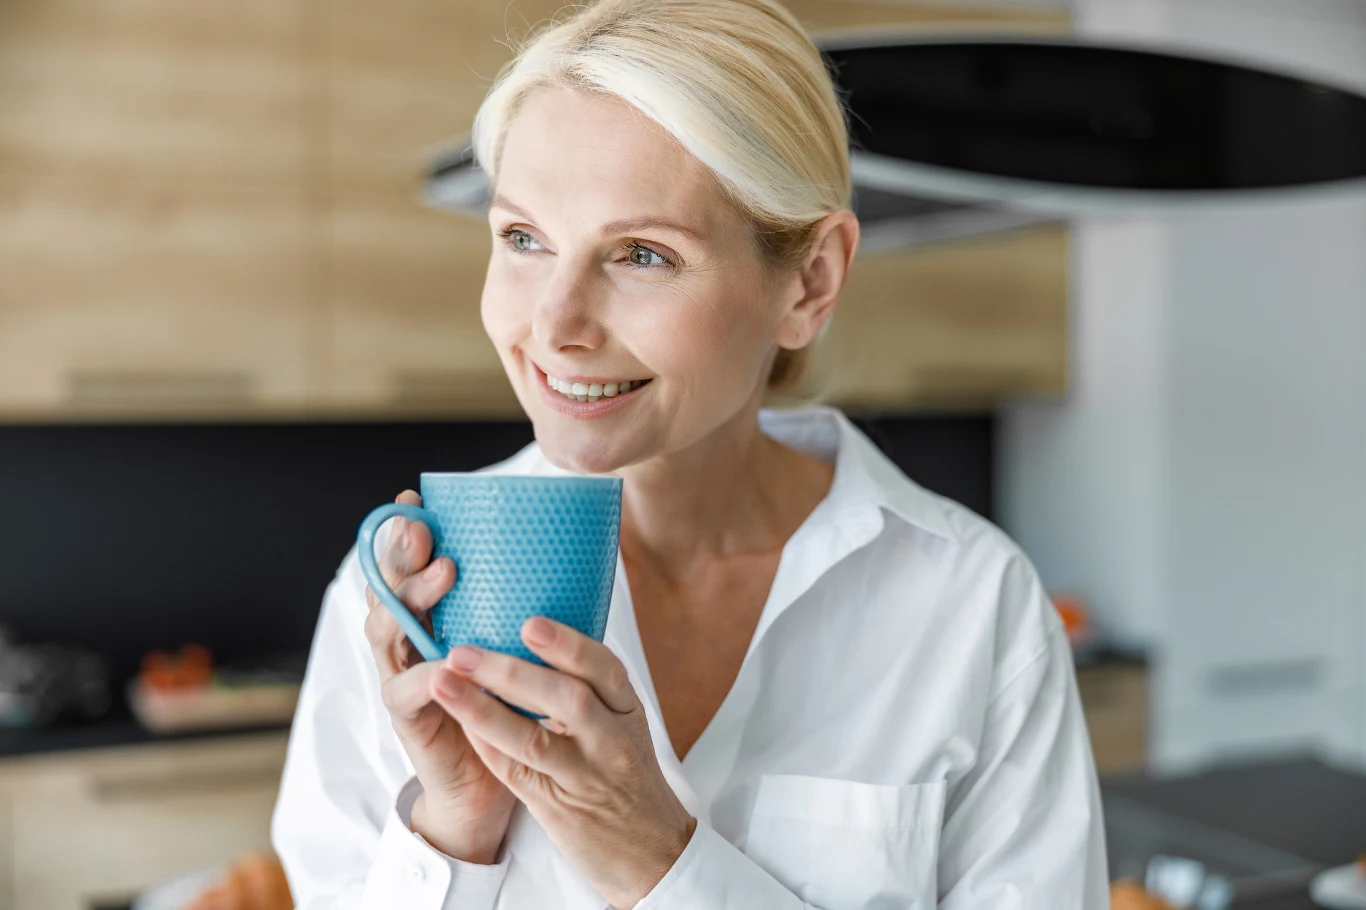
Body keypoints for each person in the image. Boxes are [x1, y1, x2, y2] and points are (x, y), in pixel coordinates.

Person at [271, 0, 1109, 907]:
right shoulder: (398, 606)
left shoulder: (972, 608)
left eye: (641, 254)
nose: (553, 327)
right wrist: (456, 829)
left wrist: (655, 858)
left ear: (810, 280)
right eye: (522, 238)